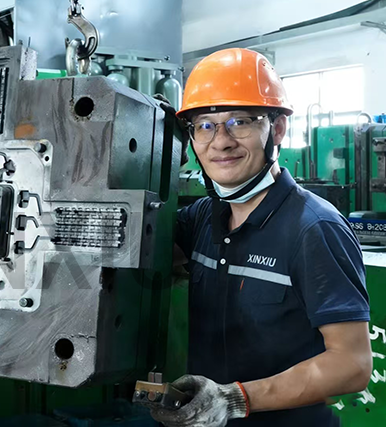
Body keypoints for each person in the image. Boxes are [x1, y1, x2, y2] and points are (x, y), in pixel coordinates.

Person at [151, 48, 372, 427]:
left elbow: (351, 364)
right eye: (204, 126)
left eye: (240, 122)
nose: (221, 141)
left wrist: (234, 399)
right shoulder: (204, 217)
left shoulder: (314, 228)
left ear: (278, 129)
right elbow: (136, 250)